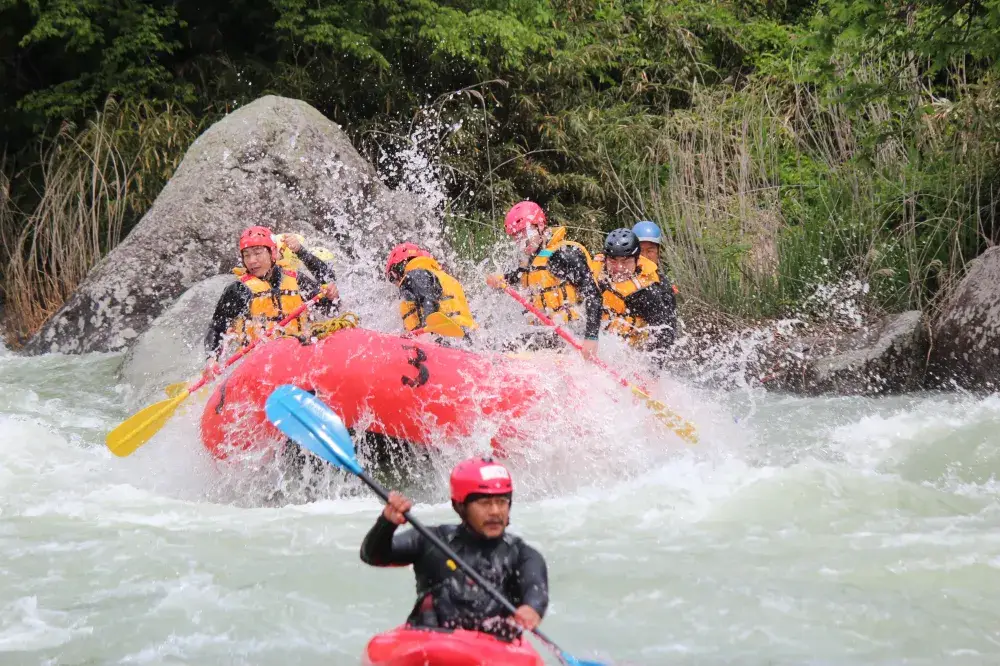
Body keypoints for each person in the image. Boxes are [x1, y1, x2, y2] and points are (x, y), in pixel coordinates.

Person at [360, 457, 548, 641]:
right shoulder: (432, 540)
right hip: (429, 644)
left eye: (502, 502)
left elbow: (535, 590)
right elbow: (373, 556)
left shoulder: (523, 555)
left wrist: (531, 610)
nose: (495, 512)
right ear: (459, 506)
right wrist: (386, 524)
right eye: (485, 503)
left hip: (492, 650)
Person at [486, 201, 603, 360]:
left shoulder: (564, 255)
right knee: (501, 345)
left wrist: (591, 338)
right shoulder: (530, 260)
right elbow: (516, 277)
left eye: (525, 233)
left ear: (540, 227)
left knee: (511, 349)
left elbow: (593, 295)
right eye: (516, 237)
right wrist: (499, 280)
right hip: (548, 333)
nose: (521, 241)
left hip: (572, 332)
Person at [205, 225, 340, 356]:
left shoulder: (296, 280)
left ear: (273, 253)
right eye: (246, 255)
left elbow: (331, 309)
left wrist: (332, 297)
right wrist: (212, 359)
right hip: (258, 362)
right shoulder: (238, 290)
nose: (252, 260)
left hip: (300, 353)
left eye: (258, 253)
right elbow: (216, 328)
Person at [596, 228, 677, 359]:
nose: (618, 269)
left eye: (626, 261)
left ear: (637, 260)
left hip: (633, 350)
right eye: (613, 261)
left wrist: (652, 373)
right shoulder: (594, 276)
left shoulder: (649, 292)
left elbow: (665, 334)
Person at [385, 242, 478, 336]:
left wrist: (429, 328)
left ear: (399, 268)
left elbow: (428, 298)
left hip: (445, 336)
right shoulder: (444, 277)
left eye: (392, 278)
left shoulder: (415, 274)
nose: (396, 284)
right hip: (466, 335)